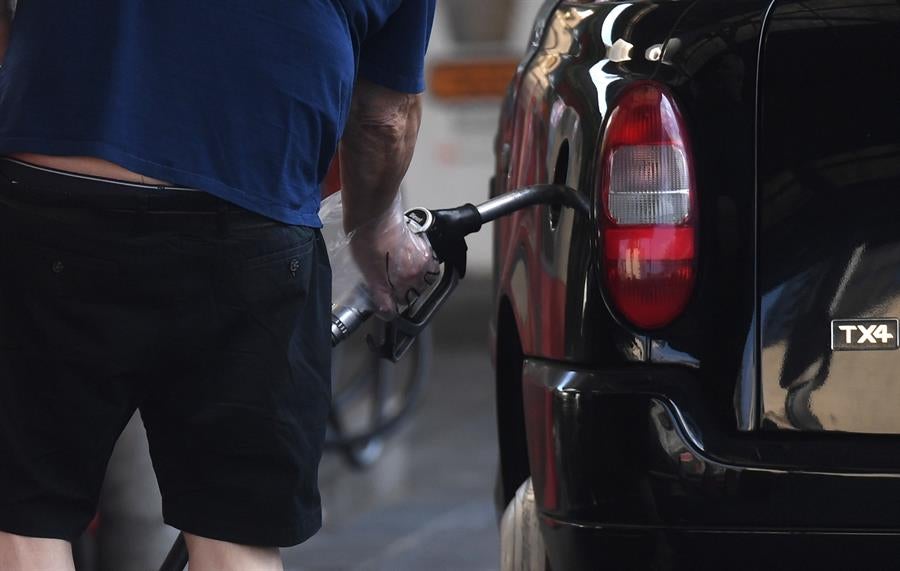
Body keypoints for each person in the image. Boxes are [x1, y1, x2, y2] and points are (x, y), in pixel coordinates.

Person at [0, 1, 437, 570]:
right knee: (235, 533)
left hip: (49, 204)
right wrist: (374, 227)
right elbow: (385, 120)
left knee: (24, 515)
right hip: (251, 228)